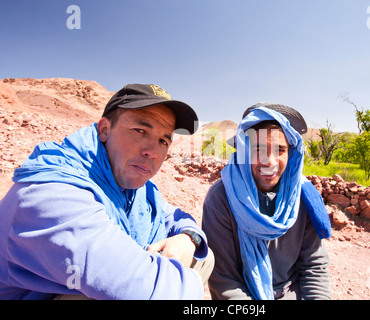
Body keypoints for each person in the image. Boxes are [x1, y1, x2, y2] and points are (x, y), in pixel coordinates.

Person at [0, 84, 213, 300]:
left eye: (163, 141)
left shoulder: (133, 186)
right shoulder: (52, 195)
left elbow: (172, 216)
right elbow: (152, 293)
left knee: (203, 256)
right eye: (140, 131)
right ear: (104, 130)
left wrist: (189, 238)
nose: (152, 152)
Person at [202, 103, 332, 300]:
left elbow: (313, 267)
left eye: (280, 149)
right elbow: (224, 280)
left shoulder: (304, 197)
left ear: (291, 154)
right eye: (258, 149)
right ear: (244, 151)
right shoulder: (221, 197)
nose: (269, 161)